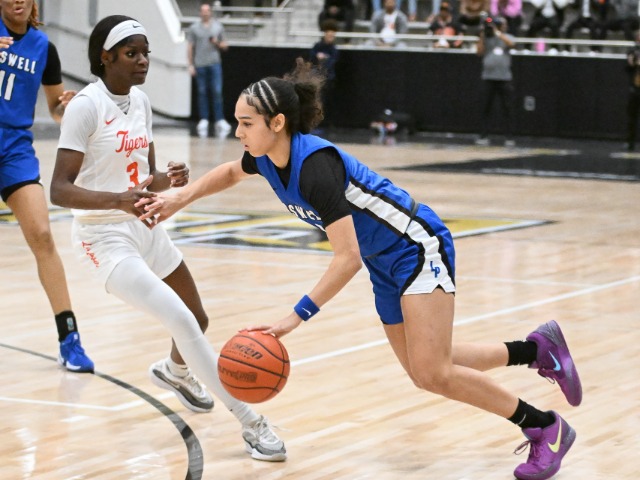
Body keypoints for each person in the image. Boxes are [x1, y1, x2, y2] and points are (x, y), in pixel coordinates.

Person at [139, 58, 581, 480]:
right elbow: (231, 173)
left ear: (277, 123)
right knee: (424, 367)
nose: (238, 132)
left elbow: (346, 257)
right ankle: (535, 350)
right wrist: (181, 197)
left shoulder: (316, 169)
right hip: (383, 261)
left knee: (434, 372)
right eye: (237, 122)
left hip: (415, 246)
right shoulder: (266, 157)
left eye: (246, 123)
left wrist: (295, 316)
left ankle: (545, 426)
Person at [50, 15, 286, 462]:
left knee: (196, 317)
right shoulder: (86, 106)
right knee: (180, 318)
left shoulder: (140, 101)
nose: (143, 61)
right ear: (105, 57)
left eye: (146, 53)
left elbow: (146, 176)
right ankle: (251, 421)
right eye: (131, 53)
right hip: (103, 238)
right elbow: (59, 190)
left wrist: (168, 179)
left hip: (145, 224)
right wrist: (119, 201)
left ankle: (175, 371)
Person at [0, 0, 94, 373]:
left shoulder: (44, 48)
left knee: (42, 234)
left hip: (14, 148)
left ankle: (69, 338)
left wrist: (65, 108)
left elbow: (55, 107)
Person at [187, 2, 232, 138]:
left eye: (207, 10)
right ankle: (204, 119)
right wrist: (190, 64)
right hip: (200, 64)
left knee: (217, 91)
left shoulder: (218, 26)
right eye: (203, 10)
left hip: (214, 63)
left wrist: (216, 42)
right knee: (202, 92)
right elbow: (190, 47)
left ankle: (219, 119)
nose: (205, 13)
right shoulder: (194, 28)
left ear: (210, 12)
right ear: (200, 13)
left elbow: (225, 45)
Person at [475, 16, 516, 146]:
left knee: (507, 108)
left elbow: (511, 44)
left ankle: (509, 137)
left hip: (504, 78)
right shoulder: (486, 37)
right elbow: (479, 52)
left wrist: (498, 34)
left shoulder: (507, 36)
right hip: (488, 77)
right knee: (485, 108)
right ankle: (483, 135)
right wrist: (482, 36)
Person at [309, 20, 340, 128]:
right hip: (317, 78)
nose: (330, 37)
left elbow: (332, 62)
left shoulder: (334, 49)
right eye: (329, 35)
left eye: (332, 35)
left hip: (328, 79)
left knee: (326, 101)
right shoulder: (317, 46)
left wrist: (324, 61)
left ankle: (325, 122)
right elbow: (312, 57)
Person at [625, 33, 640, 151]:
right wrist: (632, 62)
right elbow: (628, 68)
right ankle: (630, 142)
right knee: (632, 117)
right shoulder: (633, 51)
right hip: (635, 89)